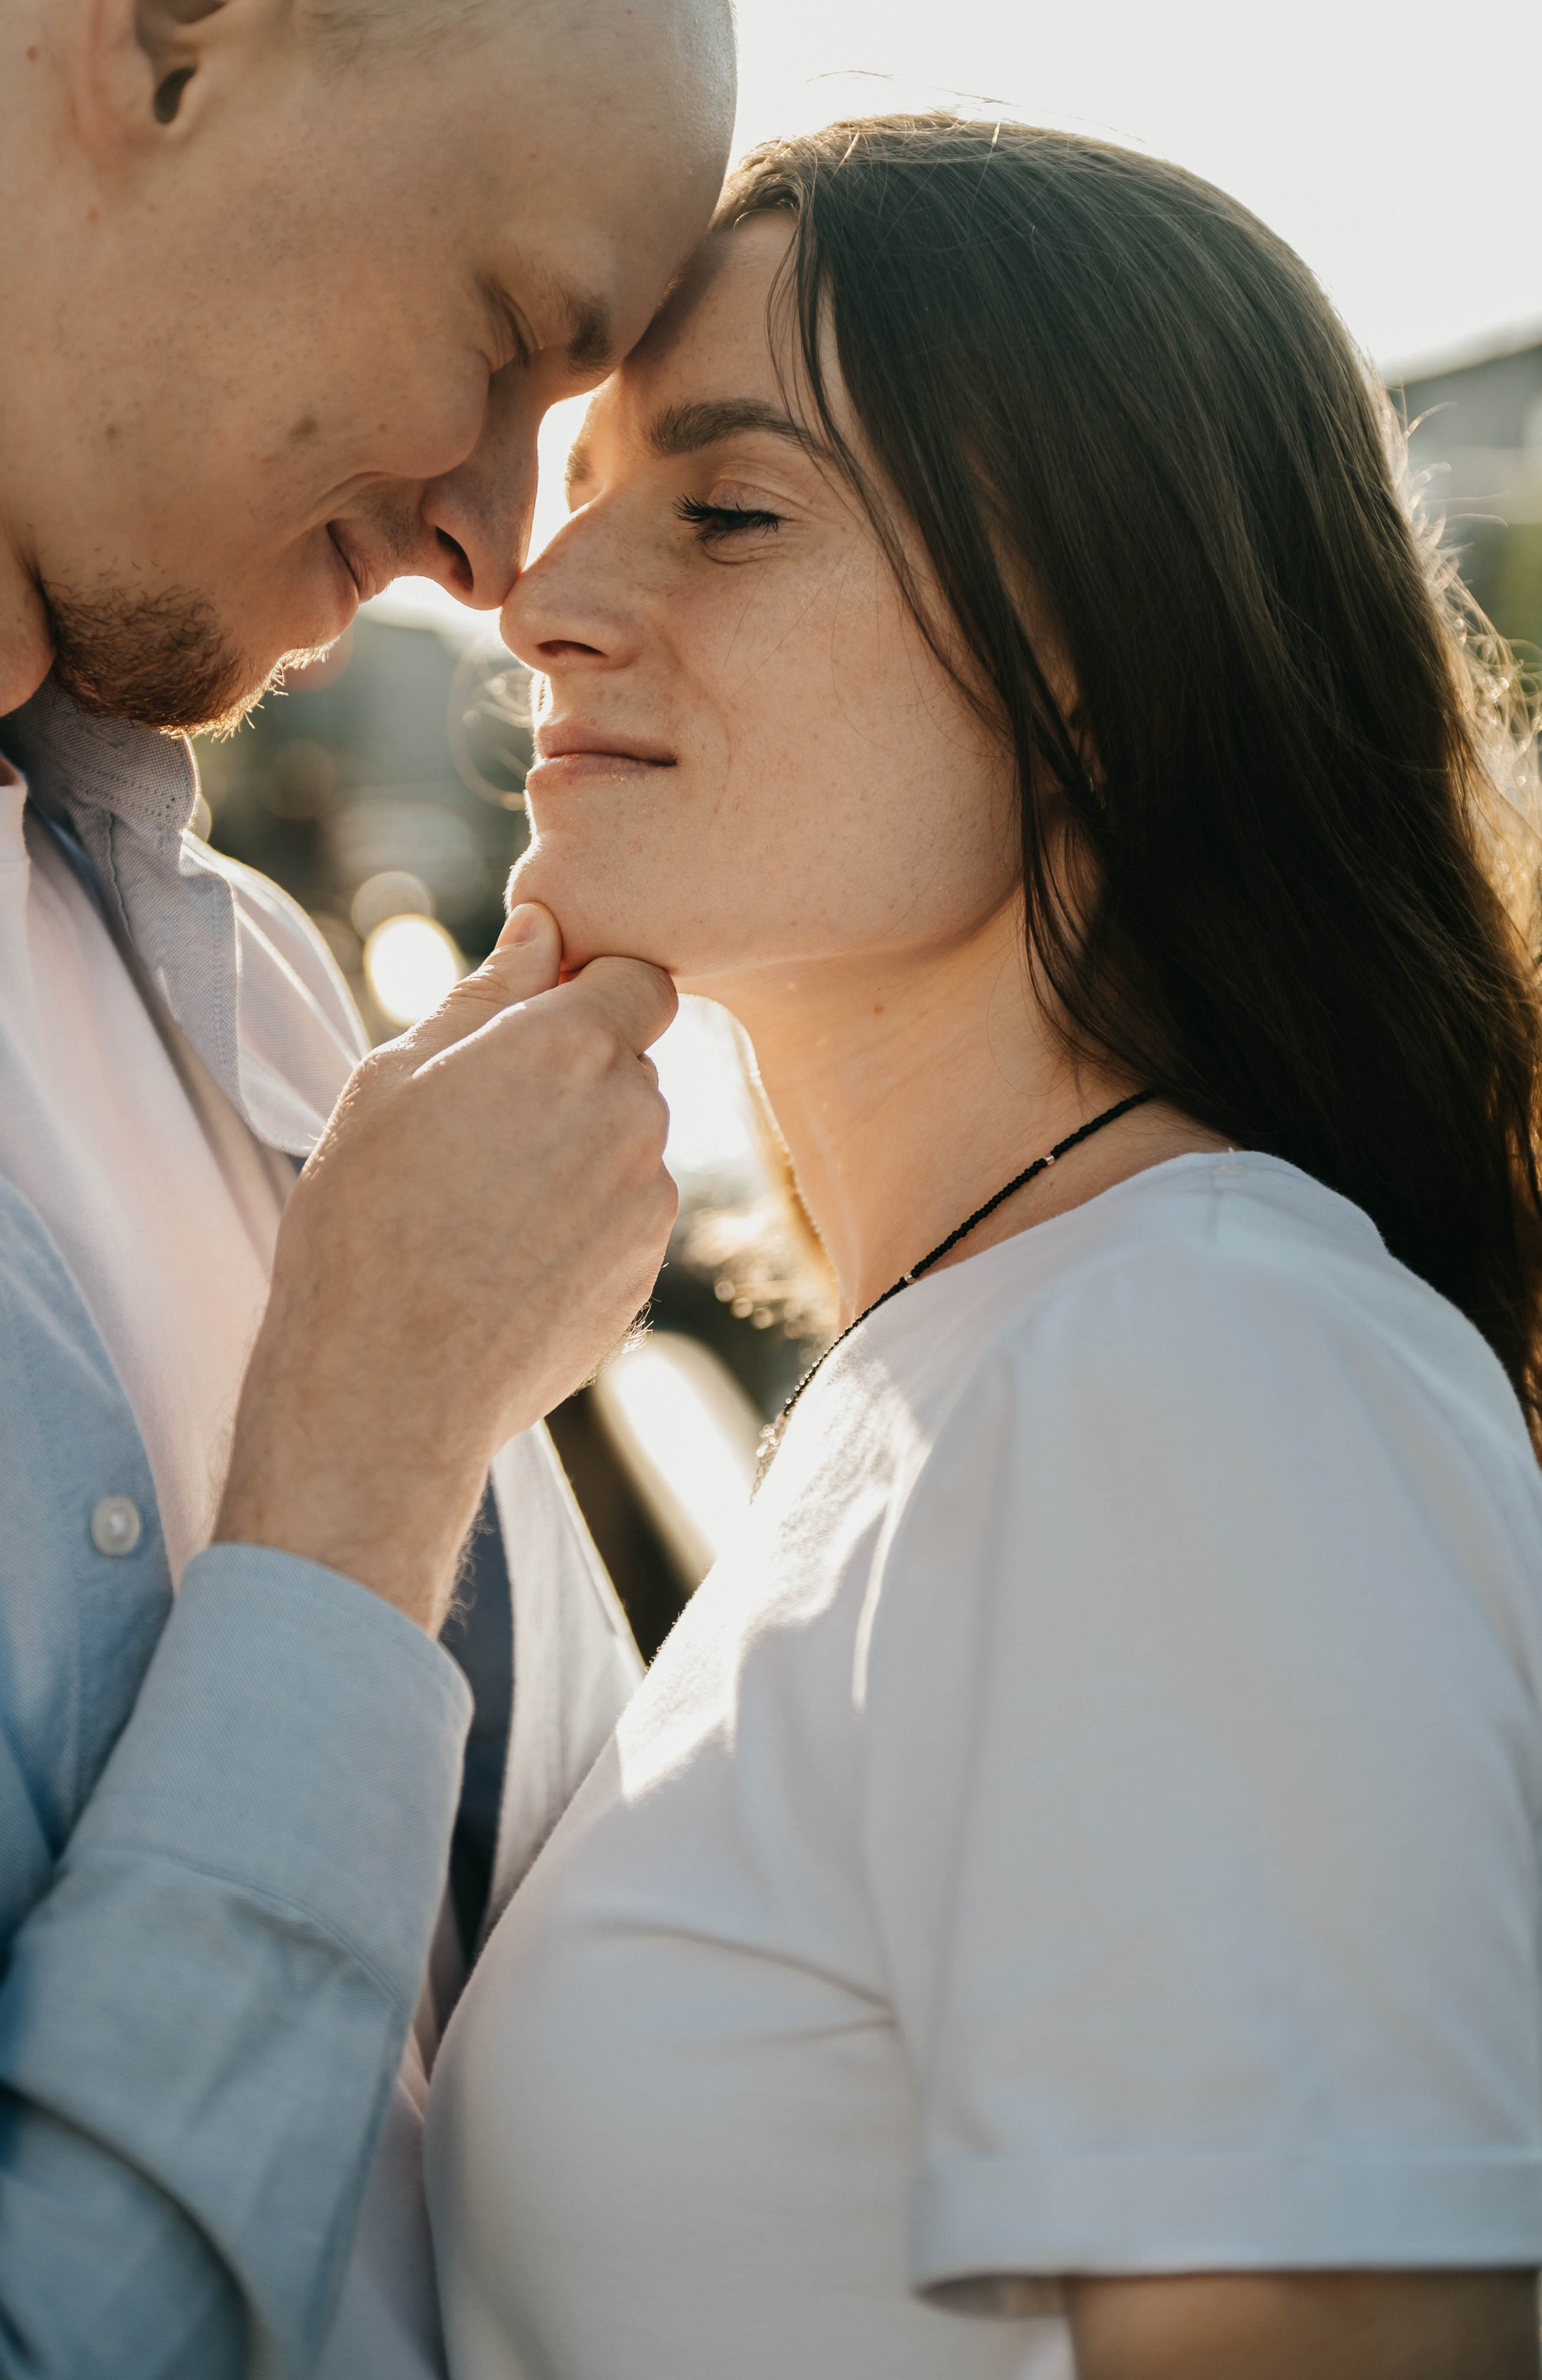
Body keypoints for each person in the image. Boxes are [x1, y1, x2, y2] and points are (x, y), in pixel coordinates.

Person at [426, 117, 1542, 2378]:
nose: (536, 605)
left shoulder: (1196, 1369)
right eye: (584, 505)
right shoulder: (998, 1372)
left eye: (730, 513)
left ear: (1108, 654)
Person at [0, 0, 735, 2371]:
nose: (504, 548)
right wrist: (353, 1483)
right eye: (508, 336)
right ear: (175, 38)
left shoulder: (266, 1005)